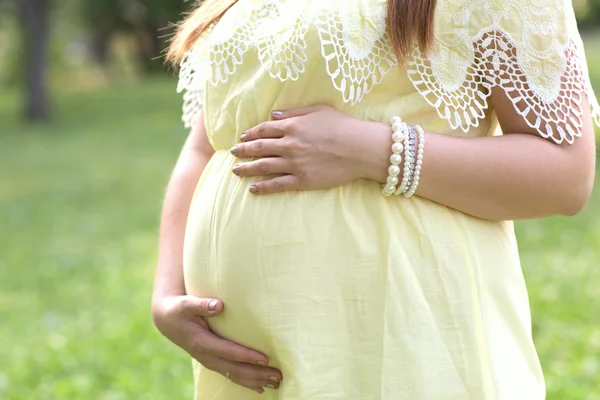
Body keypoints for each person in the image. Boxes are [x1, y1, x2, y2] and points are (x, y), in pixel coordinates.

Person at [151, 0, 598, 398]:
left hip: (396, 330)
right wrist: (167, 292)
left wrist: (374, 151)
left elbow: (565, 172)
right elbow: (210, 142)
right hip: (253, 361)